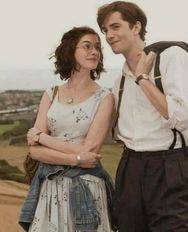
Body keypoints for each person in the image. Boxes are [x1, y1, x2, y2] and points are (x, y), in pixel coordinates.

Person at [97, 1, 188, 232]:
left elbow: (181, 117)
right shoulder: (120, 81)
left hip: (170, 166)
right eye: (105, 30)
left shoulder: (172, 57)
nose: (108, 35)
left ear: (136, 27)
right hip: (130, 167)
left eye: (115, 27)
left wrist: (142, 78)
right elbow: (111, 132)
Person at [19, 26, 115, 232]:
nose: (95, 51)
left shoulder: (104, 98)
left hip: (87, 187)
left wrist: (43, 138)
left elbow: (90, 152)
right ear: (70, 50)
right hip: (49, 187)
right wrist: (75, 159)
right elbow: (34, 151)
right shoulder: (51, 93)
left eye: (98, 47)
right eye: (87, 46)